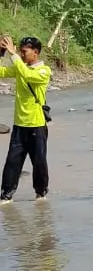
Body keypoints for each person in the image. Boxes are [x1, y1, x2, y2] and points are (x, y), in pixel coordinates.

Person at [0, 35, 52, 203]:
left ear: (35, 52)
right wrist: (1, 53)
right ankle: (6, 195)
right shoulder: (20, 67)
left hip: (37, 124)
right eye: (20, 51)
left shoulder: (44, 71)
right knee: (12, 162)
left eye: (24, 52)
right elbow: (1, 72)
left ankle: (41, 193)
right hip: (19, 124)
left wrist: (13, 54)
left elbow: (27, 75)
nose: (21, 54)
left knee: (39, 162)